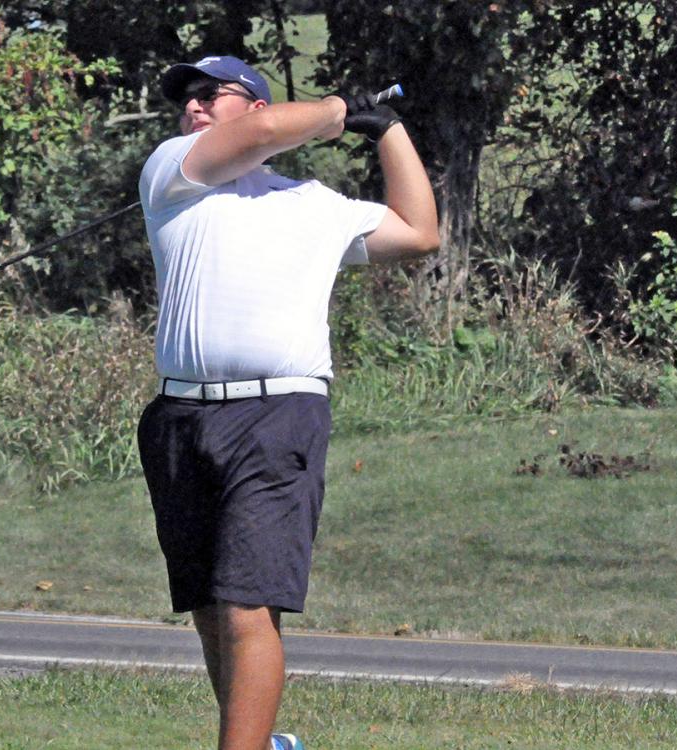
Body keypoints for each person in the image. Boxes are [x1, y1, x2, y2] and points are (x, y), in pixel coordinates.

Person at [136, 55, 438, 750]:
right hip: (180, 417)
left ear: (255, 103)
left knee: (247, 603)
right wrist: (339, 110)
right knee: (210, 608)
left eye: (214, 95)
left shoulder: (313, 204)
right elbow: (269, 128)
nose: (195, 107)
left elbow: (419, 232)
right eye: (188, 98)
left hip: (278, 416)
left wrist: (384, 128)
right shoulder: (173, 170)